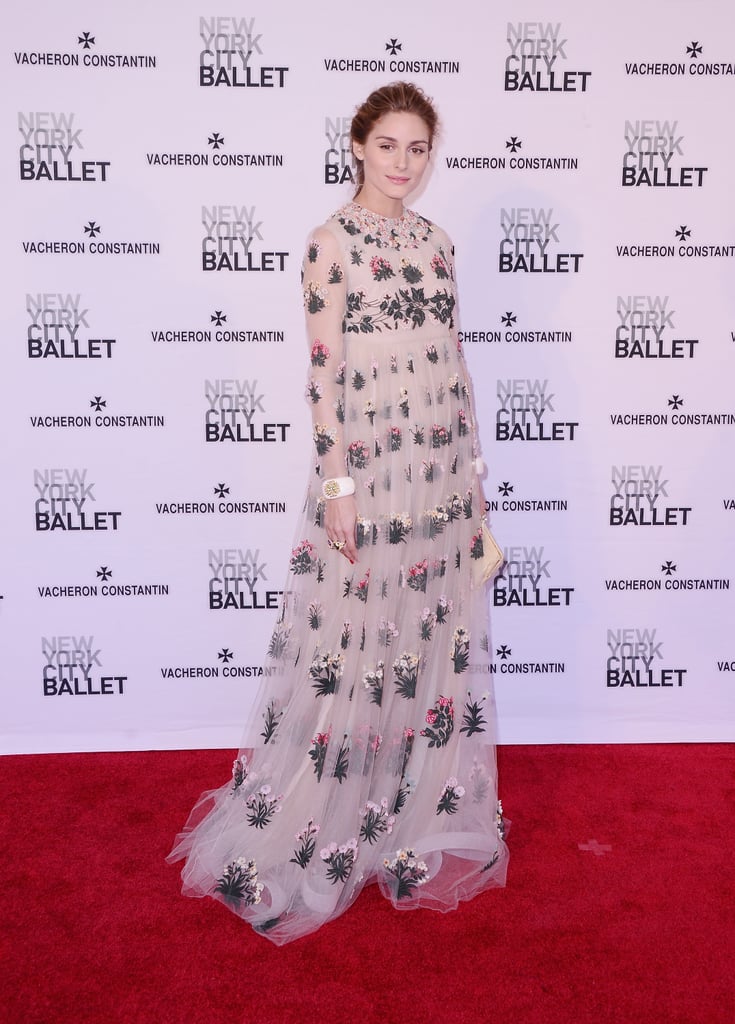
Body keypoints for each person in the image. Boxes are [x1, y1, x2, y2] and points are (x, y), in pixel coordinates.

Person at [168, 81, 509, 945]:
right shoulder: (329, 245)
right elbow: (323, 377)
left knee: (426, 639)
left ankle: (406, 810)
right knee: (351, 646)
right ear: (357, 146)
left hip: (436, 472)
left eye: (418, 148)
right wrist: (337, 491)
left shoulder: (435, 244)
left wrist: (473, 483)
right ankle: (324, 814)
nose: (402, 163)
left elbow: (454, 363)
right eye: (388, 145)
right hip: (370, 471)